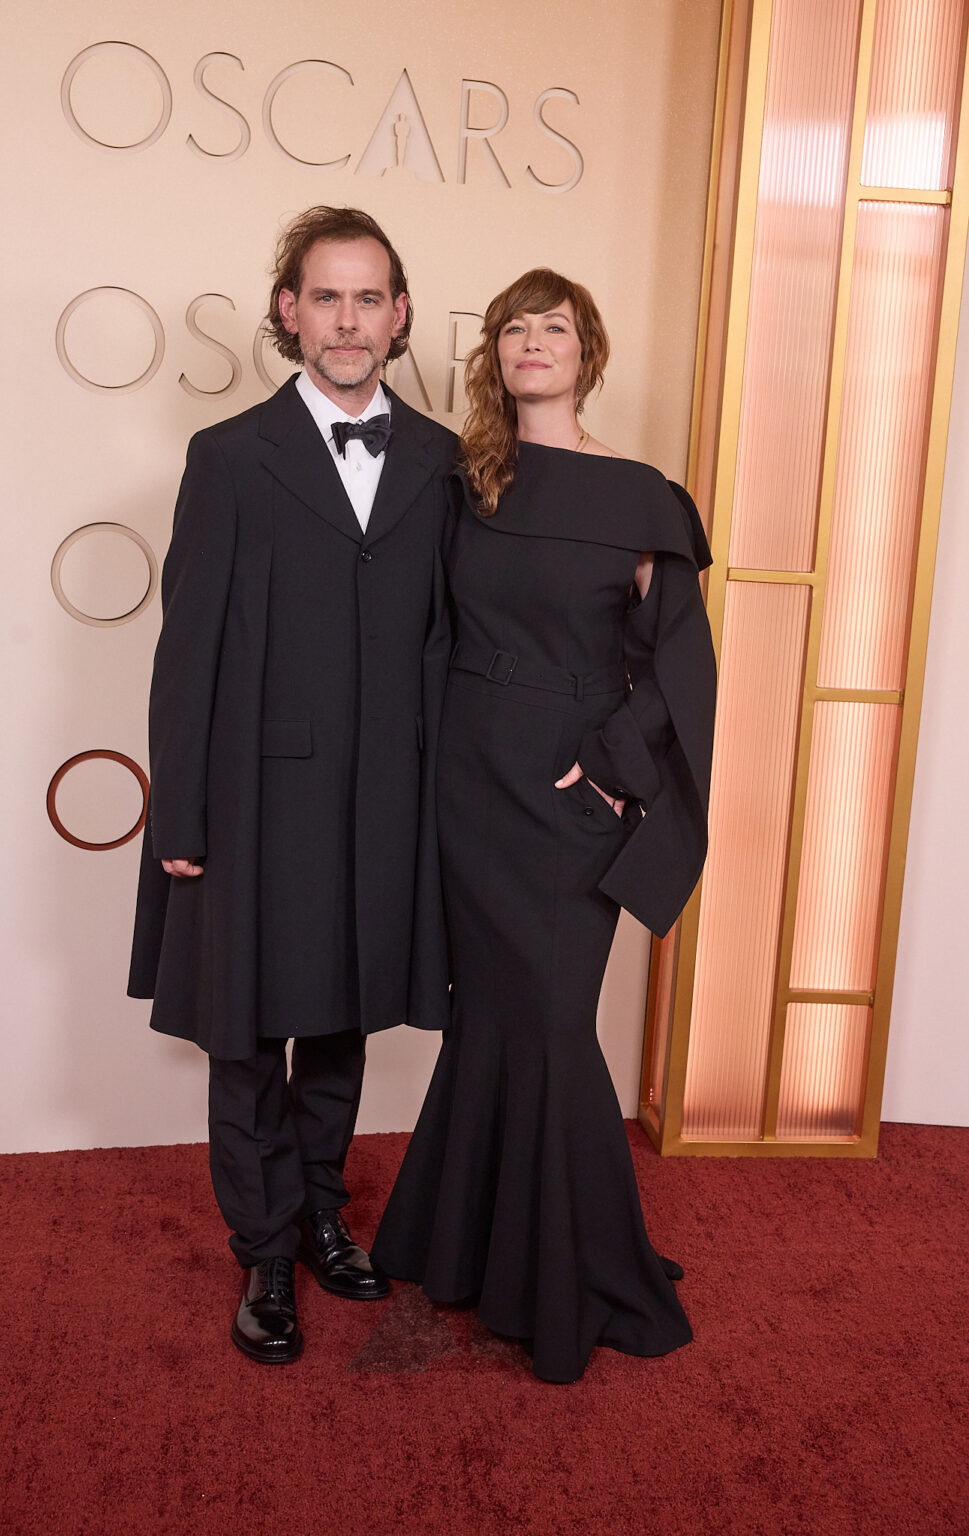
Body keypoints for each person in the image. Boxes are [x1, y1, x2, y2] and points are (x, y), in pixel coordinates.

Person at [371, 268, 716, 1384]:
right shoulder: (465, 484)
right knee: (492, 1016)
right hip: (468, 783)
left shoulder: (641, 497)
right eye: (513, 328)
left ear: (586, 352)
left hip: (567, 795)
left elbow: (678, 665)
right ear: (494, 356)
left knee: (554, 1023)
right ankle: (465, 1247)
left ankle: (567, 1274)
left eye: (552, 327)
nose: (531, 343)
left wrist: (618, 771)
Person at [129, 206, 457, 1364]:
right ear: (288, 312)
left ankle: (320, 1209)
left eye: (370, 298)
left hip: (386, 801)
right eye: (327, 297)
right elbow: (189, 646)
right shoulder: (227, 457)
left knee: (340, 1017)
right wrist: (180, 808)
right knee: (244, 1028)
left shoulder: (442, 460)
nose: (349, 320)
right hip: (254, 798)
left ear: (400, 313)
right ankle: (263, 1244)